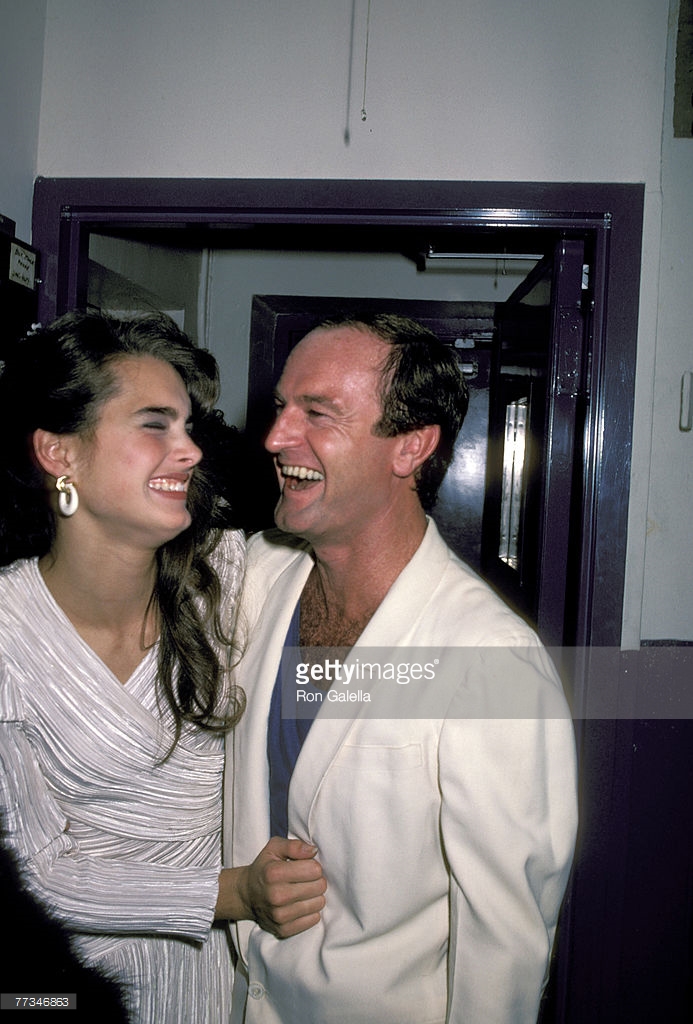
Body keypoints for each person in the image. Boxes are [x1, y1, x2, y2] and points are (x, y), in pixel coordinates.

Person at [224, 313, 578, 1023]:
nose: (275, 437)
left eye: (318, 413)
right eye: (282, 407)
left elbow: (503, 952)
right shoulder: (258, 576)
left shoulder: (487, 661)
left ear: (411, 447)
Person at [0, 311, 326, 1024]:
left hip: (237, 972)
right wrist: (233, 893)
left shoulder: (231, 575)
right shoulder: (6, 635)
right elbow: (38, 871)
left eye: (188, 427)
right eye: (155, 425)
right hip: (77, 982)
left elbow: (360, 636)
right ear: (59, 452)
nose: (189, 451)